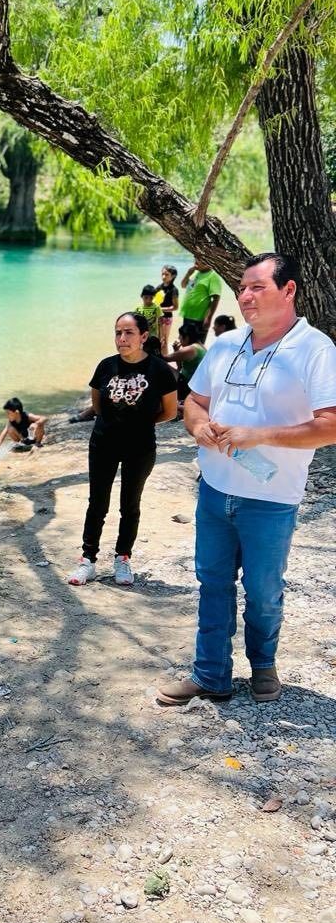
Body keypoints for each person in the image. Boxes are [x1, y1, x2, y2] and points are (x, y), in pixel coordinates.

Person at [157, 253, 336, 706]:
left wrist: (259, 435)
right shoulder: (227, 343)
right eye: (241, 287)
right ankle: (210, 674)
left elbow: (331, 424)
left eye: (257, 287)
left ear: (289, 290)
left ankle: (264, 666)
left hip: (271, 499)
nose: (244, 296)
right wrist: (197, 426)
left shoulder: (315, 349)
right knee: (212, 583)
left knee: (263, 592)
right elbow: (194, 402)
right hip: (215, 491)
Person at [67, 312, 177, 588]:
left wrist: (137, 422)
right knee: (97, 502)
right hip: (103, 443)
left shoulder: (160, 371)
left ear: (143, 337)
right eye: (118, 333)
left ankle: (122, 557)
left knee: (130, 504)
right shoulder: (105, 366)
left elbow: (169, 412)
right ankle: (88, 559)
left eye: (128, 333)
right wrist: (116, 422)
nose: (122, 339)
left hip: (139, 447)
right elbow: (98, 405)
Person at [163, 322, 207, 407]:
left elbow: (165, 358)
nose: (179, 338)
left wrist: (160, 346)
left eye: (180, 336)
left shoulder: (190, 349)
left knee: (163, 366)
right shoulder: (200, 346)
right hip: (196, 384)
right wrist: (176, 350)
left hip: (189, 384)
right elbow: (180, 367)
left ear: (186, 337)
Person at [180, 257, 222, 339]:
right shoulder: (196, 274)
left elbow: (216, 298)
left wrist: (208, 318)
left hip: (199, 319)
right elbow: (183, 285)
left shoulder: (213, 276)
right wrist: (188, 274)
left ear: (208, 261)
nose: (196, 261)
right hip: (187, 315)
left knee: (196, 347)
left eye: (198, 259)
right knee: (186, 343)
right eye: (195, 258)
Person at [155, 264, 180, 353]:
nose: (163, 276)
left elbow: (175, 307)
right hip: (157, 317)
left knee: (164, 341)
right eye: (162, 274)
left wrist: (161, 310)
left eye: (166, 274)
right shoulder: (159, 287)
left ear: (173, 276)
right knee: (155, 340)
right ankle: (157, 359)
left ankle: (165, 362)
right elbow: (154, 301)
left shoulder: (174, 290)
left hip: (166, 318)